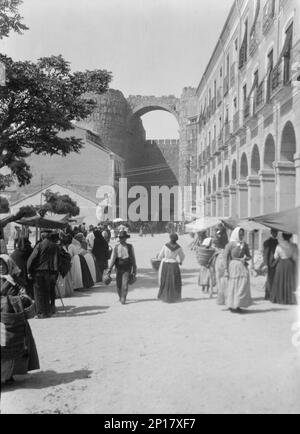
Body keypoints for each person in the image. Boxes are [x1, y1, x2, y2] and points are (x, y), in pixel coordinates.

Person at [1, 255, 40, 385]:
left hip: (15, 320)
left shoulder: (15, 281)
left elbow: (25, 298)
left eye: (3, 265)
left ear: (9, 266)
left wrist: (18, 299)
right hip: (2, 322)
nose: (0, 267)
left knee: (17, 347)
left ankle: (9, 375)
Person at [27, 231, 60, 318]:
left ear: (42, 237)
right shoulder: (55, 246)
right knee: (46, 291)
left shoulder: (40, 245)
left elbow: (31, 259)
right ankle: (48, 311)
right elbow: (57, 260)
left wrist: (29, 270)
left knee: (38, 293)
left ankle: (41, 313)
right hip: (50, 272)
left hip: (39, 271)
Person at [224, 227, 252, 313]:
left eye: (242, 234)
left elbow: (249, 256)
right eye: (240, 234)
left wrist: (245, 258)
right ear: (236, 234)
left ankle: (238, 304)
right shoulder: (230, 245)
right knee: (233, 285)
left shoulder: (245, 244)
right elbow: (225, 257)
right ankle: (232, 305)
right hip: (233, 266)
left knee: (242, 284)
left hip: (242, 267)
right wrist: (226, 269)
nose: (241, 236)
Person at [107, 231, 137, 305]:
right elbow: (113, 259)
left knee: (125, 285)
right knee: (119, 285)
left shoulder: (130, 246)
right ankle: (120, 296)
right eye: (120, 237)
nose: (120, 239)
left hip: (127, 268)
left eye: (122, 237)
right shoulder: (116, 247)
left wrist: (134, 269)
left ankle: (123, 297)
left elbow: (133, 258)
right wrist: (109, 269)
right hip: (118, 268)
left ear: (125, 238)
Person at [271, 233, 298, 305]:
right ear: (291, 236)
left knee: (280, 280)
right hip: (289, 264)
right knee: (289, 281)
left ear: (283, 236)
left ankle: (280, 298)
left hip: (281, 265)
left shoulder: (279, 246)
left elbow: (275, 257)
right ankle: (289, 299)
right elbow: (295, 258)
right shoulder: (293, 246)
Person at [157, 233, 185, 303]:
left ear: (170, 238)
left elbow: (160, 256)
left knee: (165, 280)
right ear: (176, 240)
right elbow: (182, 256)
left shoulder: (166, 246)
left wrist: (160, 258)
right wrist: (180, 261)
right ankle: (174, 297)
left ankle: (165, 296)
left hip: (166, 264)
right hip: (174, 265)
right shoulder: (178, 247)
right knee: (175, 281)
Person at [262, 229, 278, 300]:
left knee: (273, 279)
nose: (275, 233)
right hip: (270, 263)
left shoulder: (277, 242)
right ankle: (268, 295)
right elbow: (266, 253)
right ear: (271, 232)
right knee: (269, 279)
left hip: (276, 262)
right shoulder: (267, 242)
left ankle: (272, 295)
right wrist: (265, 264)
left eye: (276, 232)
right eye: (274, 232)